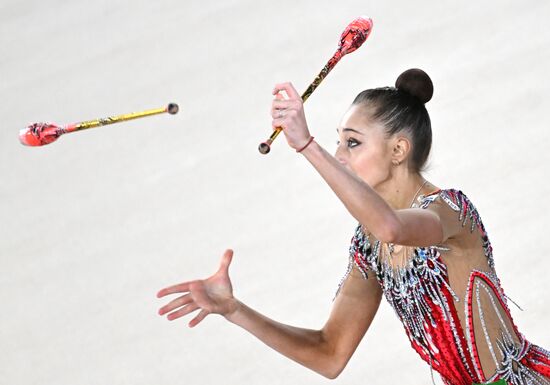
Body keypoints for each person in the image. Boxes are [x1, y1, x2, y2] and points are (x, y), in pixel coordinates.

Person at [157, 69, 550, 385]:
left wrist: (307, 145)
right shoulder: (368, 245)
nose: (340, 156)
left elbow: (393, 227)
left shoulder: (449, 211)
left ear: (398, 150)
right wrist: (234, 310)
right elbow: (329, 354)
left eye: (353, 143)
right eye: (338, 143)